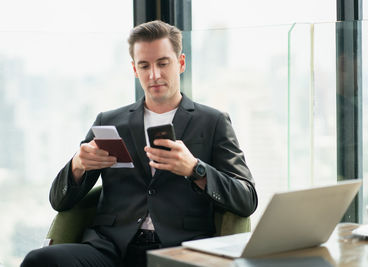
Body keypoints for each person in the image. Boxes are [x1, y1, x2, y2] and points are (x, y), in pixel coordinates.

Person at [21, 20, 258, 267]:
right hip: (110, 248)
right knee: (39, 260)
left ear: (181, 63)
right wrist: (78, 166)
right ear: (135, 69)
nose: (153, 74)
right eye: (144, 65)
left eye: (163, 63)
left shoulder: (213, 122)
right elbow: (58, 201)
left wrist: (195, 169)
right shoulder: (110, 122)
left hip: (180, 250)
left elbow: (247, 198)